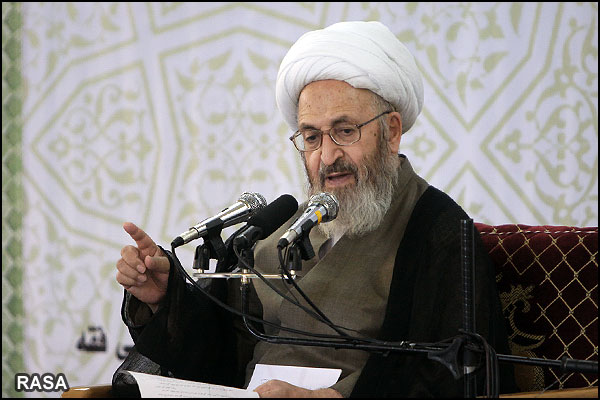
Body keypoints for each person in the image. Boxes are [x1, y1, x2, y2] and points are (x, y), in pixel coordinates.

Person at [113, 21, 515, 397]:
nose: (327, 156)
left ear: (391, 131)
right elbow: (221, 356)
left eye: (345, 131)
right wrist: (166, 299)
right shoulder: (280, 232)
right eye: (310, 137)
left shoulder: (437, 230)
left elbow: (459, 371)